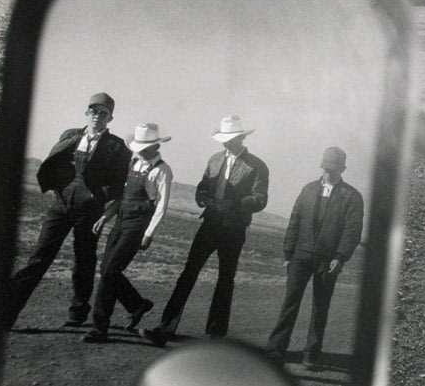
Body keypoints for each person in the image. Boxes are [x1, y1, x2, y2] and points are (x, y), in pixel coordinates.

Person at [3, 92, 132, 330]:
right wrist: (57, 187)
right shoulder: (70, 136)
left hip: (89, 213)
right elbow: (54, 162)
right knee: (39, 257)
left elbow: (118, 186)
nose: (97, 116)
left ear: (110, 118)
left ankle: (78, 312)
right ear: (87, 112)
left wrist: (100, 202)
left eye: (103, 113)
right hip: (60, 207)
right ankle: (6, 312)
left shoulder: (118, 148)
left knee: (84, 261)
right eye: (93, 110)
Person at [141, 115, 269, 346]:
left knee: (225, 279)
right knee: (188, 273)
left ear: (241, 137)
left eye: (230, 139)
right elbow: (203, 185)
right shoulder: (215, 159)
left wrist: (237, 204)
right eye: (224, 139)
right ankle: (165, 328)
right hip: (209, 224)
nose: (226, 143)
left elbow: (260, 199)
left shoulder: (257, 166)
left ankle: (216, 336)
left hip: (234, 229)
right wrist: (201, 196)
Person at [264, 147, 364, 370]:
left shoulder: (352, 197)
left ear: (342, 169)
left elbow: (352, 231)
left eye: (333, 168)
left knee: (320, 307)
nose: (328, 172)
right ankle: (275, 351)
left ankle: (311, 354)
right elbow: (295, 221)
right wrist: (288, 253)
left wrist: (340, 257)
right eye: (326, 168)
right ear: (322, 166)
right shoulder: (308, 190)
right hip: (300, 256)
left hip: (329, 261)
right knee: (289, 304)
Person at [83, 123, 173, 343]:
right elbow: (123, 196)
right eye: (138, 146)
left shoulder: (162, 170)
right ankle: (137, 304)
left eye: (145, 146)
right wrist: (106, 216)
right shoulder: (133, 163)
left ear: (155, 146)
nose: (140, 150)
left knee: (111, 271)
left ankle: (99, 327)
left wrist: (148, 234)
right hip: (121, 220)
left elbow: (161, 206)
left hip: (138, 225)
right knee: (106, 269)